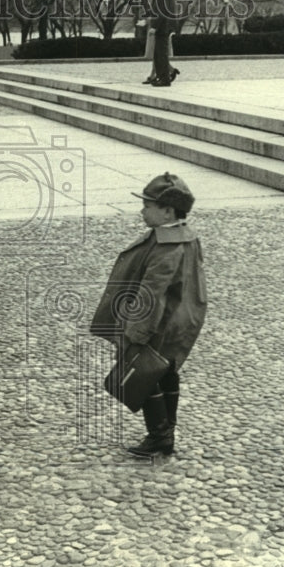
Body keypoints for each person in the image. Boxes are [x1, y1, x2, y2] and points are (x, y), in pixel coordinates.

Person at [90, 172, 207, 457]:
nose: (142, 211)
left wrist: (136, 333)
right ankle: (166, 430)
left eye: (147, 206)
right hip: (179, 319)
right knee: (165, 371)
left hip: (160, 324)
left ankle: (159, 435)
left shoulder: (167, 246)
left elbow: (151, 294)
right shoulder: (180, 236)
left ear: (167, 210)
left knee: (145, 373)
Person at [145, 0, 186, 87]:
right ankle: (162, 77)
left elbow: (161, 11)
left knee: (161, 53)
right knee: (159, 53)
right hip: (165, 26)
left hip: (163, 26)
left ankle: (164, 79)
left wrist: (154, 26)